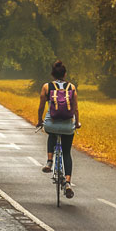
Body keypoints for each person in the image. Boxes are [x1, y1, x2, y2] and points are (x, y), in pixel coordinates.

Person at [36, 60, 81, 198]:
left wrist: (40, 121)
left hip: (52, 123)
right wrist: (77, 123)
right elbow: (76, 109)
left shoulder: (46, 87)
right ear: (65, 74)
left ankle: (49, 161)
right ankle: (67, 182)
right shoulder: (71, 87)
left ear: (52, 74)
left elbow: (41, 106)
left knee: (51, 134)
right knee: (66, 153)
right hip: (68, 125)